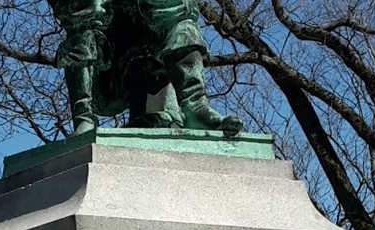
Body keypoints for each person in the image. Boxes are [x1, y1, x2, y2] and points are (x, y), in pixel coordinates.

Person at [48, 0, 242, 135]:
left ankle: (196, 107)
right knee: (83, 24)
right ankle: (83, 118)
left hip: (159, 64)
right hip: (107, 80)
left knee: (183, 23)